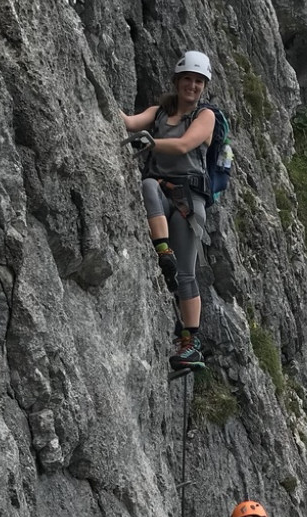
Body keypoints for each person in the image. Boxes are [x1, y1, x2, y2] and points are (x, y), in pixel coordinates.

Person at [121, 50, 217, 371]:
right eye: (188, 79)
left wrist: (149, 143)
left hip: (190, 201)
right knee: (148, 184)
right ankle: (164, 254)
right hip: (162, 192)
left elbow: (183, 145)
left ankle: (190, 345)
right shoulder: (159, 113)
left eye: (198, 81)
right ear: (177, 82)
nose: (192, 85)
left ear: (204, 87)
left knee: (188, 276)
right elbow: (126, 122)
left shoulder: (205, 117)